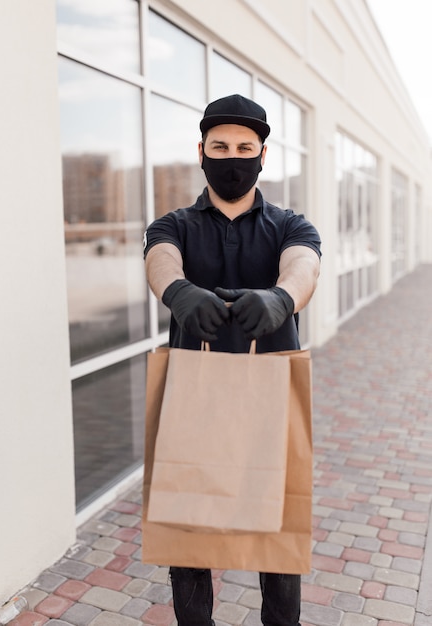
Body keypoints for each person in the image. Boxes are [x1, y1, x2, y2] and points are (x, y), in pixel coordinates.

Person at [143, 94, 321, 626]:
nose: (232, 156)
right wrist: (177, 291)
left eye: (246, 147)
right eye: (220, 146)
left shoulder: (292, 224)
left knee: (276, 535)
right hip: (191, 396)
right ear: (201, 152)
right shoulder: (172, 224)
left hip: (271, 396)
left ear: (263, 156)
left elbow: (304, 267)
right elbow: (159, 260)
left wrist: (282, 297)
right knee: (186, 528)